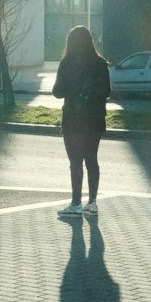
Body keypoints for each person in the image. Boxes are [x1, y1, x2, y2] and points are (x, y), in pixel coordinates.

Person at [52, 26, 110, 217]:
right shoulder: (100, 63)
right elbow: (107, 91)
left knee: (75, 161)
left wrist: (72, 88)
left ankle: (76, 203)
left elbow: (57, 92)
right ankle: (92, 202)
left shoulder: (67, 63)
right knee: (92, 160)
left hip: (73, 119)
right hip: (94, 119)